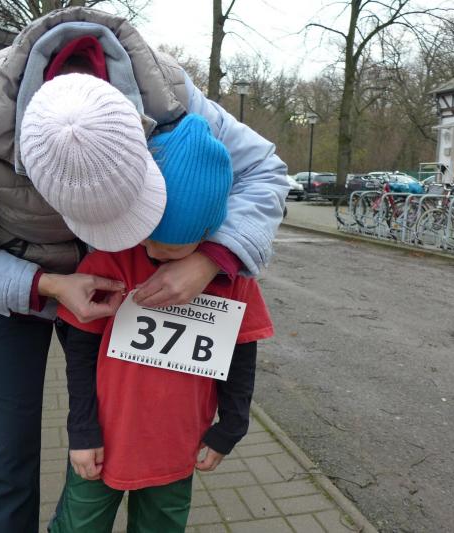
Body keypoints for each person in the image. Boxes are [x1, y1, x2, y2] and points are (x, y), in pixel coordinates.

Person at [0, 7, 288, 532]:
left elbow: (265, 171)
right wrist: (47, 283)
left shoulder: (168, 94)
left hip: (118, 290)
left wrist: (210, 259)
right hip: (5, 283)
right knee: (5, 455)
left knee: (112, 435)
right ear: (32, 170)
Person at [16, 78, 273, 531]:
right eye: (147, 238)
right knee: (78, 525)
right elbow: (80, 351)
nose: (151, 254)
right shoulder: (112, 259)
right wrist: (82, 431)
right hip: (104, 441)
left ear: (208, 230)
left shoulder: (233, 277)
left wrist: (231, 425)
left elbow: (241, 354)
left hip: (178, 443)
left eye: (170, 251)